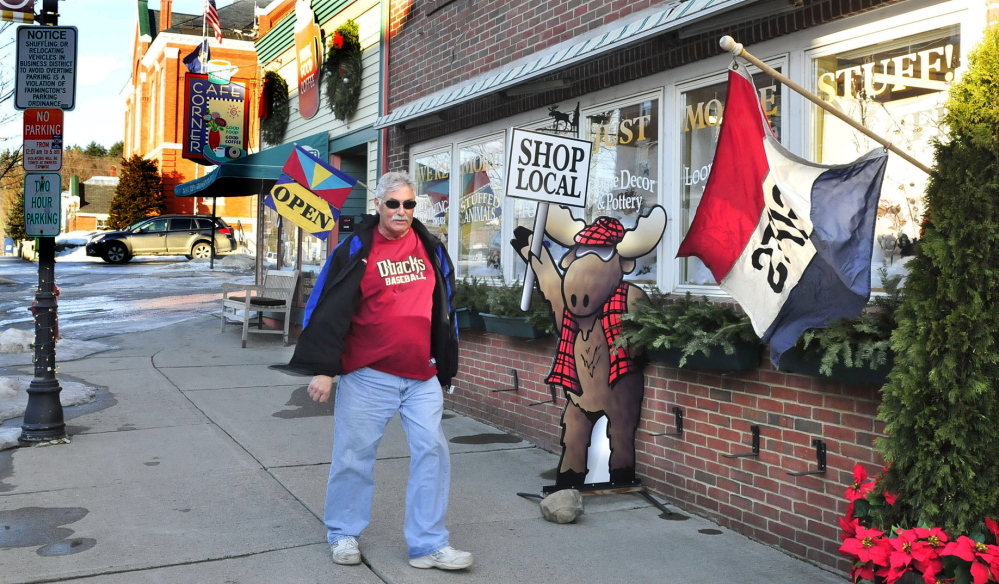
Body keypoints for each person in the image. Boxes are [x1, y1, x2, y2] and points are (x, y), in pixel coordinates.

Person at [280, 171, 473, 571]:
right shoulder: (355, 248)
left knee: (432, 452)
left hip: (422, 375)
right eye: (393, 203)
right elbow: (326, 307)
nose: (401, 211)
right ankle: (344, 534)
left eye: (409, 204)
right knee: (354, 456)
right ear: (378, 206)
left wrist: (446, 364)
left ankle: (428, 544)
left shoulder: (431, 247)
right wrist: (324, 369)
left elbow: (446, 306)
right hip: (369, 375)